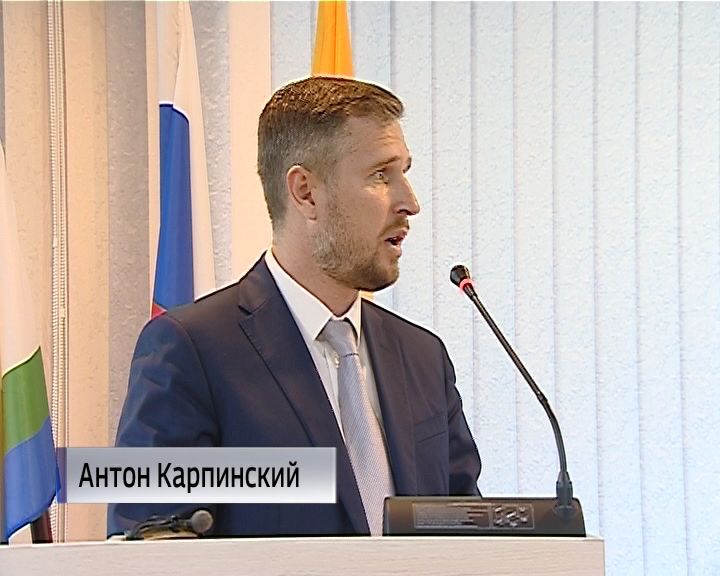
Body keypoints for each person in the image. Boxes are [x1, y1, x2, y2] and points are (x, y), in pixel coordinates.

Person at [108, 76, 481, 537]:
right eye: (381, 175)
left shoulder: (423, 357)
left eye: (404, 172)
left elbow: (468, 537)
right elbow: (153, 548)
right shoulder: (190, 351)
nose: (410, 202)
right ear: (305, 192)